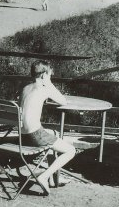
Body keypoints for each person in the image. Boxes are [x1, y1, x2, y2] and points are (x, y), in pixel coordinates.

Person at [20, 61, 77, 193]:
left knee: (54, 134)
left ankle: (54, 178)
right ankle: (44, 176)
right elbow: (63, 101)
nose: (50, 77)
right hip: (35, 136)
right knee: (71, 151)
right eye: (49, 74)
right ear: (44, 75)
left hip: (23, 136)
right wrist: (49, 83)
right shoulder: (44, 89)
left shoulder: (25, 88)